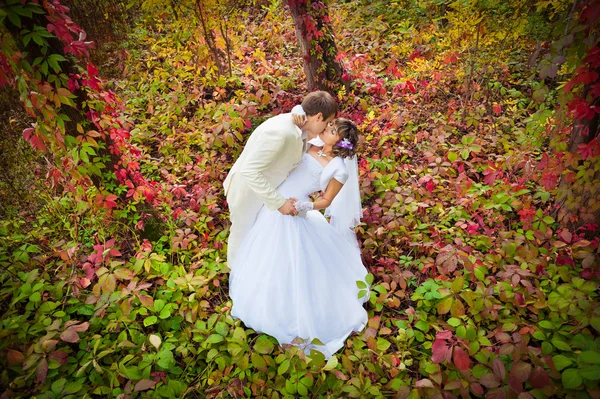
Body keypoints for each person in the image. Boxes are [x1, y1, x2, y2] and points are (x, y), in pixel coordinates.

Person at [229, 115, 369, 359]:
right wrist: (296, 118)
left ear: (341, 142)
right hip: (274, 203)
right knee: (265, 256)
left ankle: (294, 318)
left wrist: (304, 206)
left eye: (334, 130)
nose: (328, 128)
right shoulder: (312, 142)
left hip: (295, 209)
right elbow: (296, 135)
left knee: (293, 263)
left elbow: (326, 200)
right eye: (330, 125)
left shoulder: (339, 169)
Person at [223, 91, 338, 269]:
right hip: (247, 192)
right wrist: (279, 203)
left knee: (258, 242)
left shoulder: (301, 127)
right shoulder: (281, 132)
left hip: (267, 190)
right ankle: (236, 279)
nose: (326, 127)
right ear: (318, 116)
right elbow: (250, 170)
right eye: (327, 122)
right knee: (242, 237)